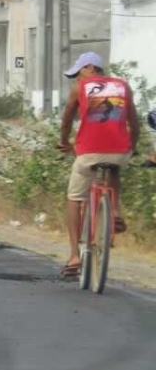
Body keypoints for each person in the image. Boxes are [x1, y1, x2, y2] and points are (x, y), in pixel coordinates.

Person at [57, 51, 141, 279]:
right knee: (114, 167)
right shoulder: (123, 86)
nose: (77, 78)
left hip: (88, 152)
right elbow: (135, 124)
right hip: (119, 150)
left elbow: (66, 120)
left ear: (91, 68)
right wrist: (132, 147)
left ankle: (74, 255)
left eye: (79, 72)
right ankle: (114, 210)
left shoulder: (80, 88)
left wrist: (64, 142)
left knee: (74, 198)